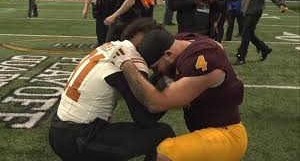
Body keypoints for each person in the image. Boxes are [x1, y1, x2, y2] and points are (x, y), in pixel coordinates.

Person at [109, 30, 248, 161]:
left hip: (228, 134)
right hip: (207, 130)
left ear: (168, 54)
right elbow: (217, 45)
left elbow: (155, 103)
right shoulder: (183, 42)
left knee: (166, 152)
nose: (157, 72)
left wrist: (126, 64)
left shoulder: (203, 59)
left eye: (156, 67)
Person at [48, 19, 175, 161]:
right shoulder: (133, 58)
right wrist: (168, 92)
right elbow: (144, 119)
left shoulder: (112, 46)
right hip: (80, 138)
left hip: (59, 129)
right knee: (162, 133)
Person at [225, 0, 288, 65]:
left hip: (255, 11)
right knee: (249, 33)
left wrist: (281, 4)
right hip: (246, 11)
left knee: (245, 33)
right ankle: (264, 49)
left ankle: (241, 57)